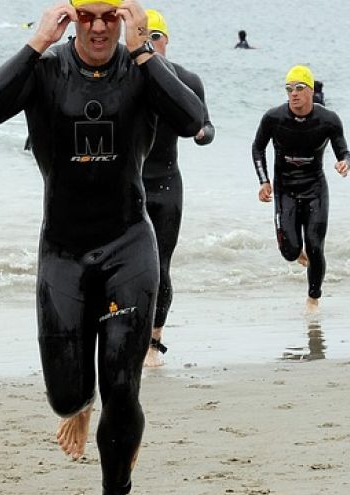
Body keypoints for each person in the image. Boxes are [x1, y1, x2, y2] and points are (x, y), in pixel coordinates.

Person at [0, 1, 203, 494]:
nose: (98, 27)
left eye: (109, 17)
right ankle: (80, 404)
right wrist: (36, 43)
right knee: (66, 396)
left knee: (122, 386)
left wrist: (142, 51)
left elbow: (192, 120)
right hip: (63, 250)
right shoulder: (46, 69)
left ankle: (115, 487)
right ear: (70, 18)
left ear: (123, 20)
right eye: (87, 15)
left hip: (128, 244)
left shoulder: (142, 69)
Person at [140, 9, 215, 368]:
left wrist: (202, 133)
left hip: (167, 183)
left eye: (157, 37)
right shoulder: (128, 78)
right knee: (123, 265)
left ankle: (154, 341)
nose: (151, 43)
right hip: (129, 184)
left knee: (161, 266)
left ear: (166, 41)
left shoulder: (187, 80)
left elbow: (208, 127)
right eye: (145, 37)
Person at [252, 65, 350, 314]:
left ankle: (313, 299)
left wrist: (344, 164)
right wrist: (264, 181)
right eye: (289, 89)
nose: (293, 93)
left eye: (299, 88)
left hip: (315, 188)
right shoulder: (273, 118)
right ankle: (297, 252)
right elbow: (257, 148)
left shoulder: (328, 119)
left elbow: (345, 153)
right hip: (285, 190)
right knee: (289, 252)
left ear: (310, 90)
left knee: (316, 246)